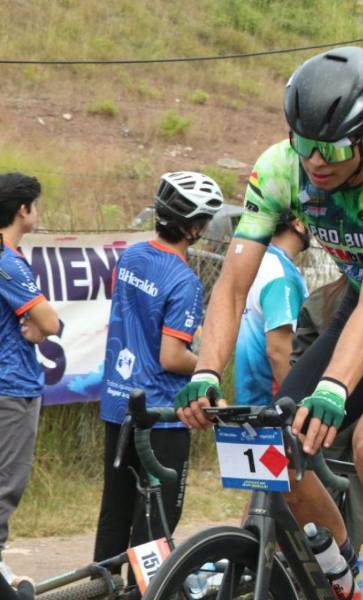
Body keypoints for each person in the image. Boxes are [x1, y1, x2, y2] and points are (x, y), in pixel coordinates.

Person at [173, 47, 363, 600]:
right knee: (272, 439)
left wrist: (335, 389)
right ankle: (343, 575)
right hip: (360, 310)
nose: (316, 161)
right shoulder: (278, 169)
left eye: (333, 147)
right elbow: (233, 285)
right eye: (304, 143)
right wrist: (206, 370)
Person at [93, 172, 223, 566]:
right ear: (195, 226)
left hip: (118, 404)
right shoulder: (184, 280)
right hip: (161, 417)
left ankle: (103, 592)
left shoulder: (131, 255)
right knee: (156, 524)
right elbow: (171, 356)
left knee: (114, 516)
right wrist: (208, 365)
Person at [0, 173, 60, 584]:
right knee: (8, 483)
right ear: (23, 210)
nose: (37, 212)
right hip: (12, 386)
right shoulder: (8, 261)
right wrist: (41, 327)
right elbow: (50, 322)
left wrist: (37, 327)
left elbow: (39, 325)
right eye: (35, 205)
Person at [235, 210, 309, 405]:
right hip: (273, 406)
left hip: (248, 400)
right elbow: (278, 350)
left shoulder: (256, 262)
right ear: (299, 223)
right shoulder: (282, 275)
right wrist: (295, 405)